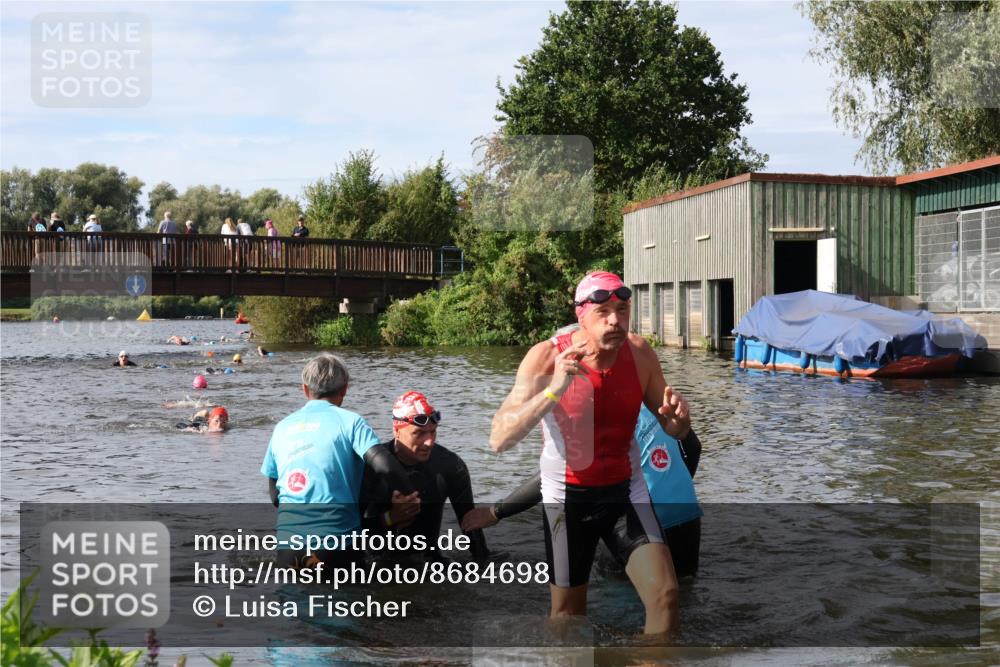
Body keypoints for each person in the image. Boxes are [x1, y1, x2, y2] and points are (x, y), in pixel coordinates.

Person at [489, 271, 691, 636]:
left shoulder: (641, 354)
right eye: (604, 312)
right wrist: (553, 390)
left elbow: (674, 430)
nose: (616, 321)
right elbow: (499, 439)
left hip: (626, 492)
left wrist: (680, 421)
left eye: (623, 310)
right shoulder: (546, 357)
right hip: (568, 499)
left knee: (666, 596)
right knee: (568, 618)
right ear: (581, 314)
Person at [465, 403, 703, 577]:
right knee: (682, 595)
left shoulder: (592, 415)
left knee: (613, 595)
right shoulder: (648, 400)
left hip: (642, 521)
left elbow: (553, 477)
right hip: (687, 513)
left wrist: (496, 512)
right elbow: (693, 447)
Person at [261, 353, 418, 570]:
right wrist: (410, 496)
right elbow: (383, 464)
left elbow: (275, 496)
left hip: (288, 549)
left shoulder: (281, 428)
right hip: (336, 548)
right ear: (344, 389)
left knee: (294, 602)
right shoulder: (351, 422)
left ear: (305, 389)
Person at [360, 391, 490, 562]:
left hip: (429, 561)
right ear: (396, 431)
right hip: (378, 564)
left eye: (433, 432)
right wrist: (390, 518)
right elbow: (352, 533)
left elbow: (472, 530)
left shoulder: (450, 466)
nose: (429, 442)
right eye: (419, 433)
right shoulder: (371, 466)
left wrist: (484, 567)